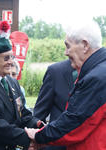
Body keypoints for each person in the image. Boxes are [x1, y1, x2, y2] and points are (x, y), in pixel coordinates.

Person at [25, 20, 106, 150]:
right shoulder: (99, 70)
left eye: (68, 46)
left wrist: (39, 135)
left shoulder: (97, 77)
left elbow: (77, 123)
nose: (65, 52)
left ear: (85, 45)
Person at [33, 59, 76, 150]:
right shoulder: (56, 71)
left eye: (68, 46)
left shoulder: (100, 71)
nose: (66, 52)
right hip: (58, 144)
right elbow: (39, 114)